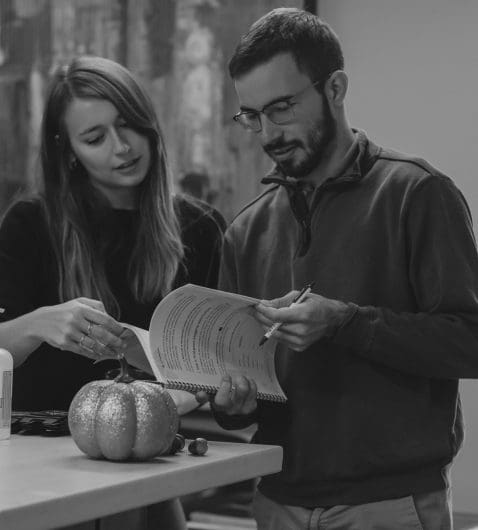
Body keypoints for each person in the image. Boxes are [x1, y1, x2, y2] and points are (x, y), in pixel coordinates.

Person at [202, 8, 478, 530]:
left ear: (335, 88)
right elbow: (240, 390)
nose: (268, 133)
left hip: (390, 505)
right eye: (252, 115)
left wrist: (345, 322)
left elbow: (471, 340)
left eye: (282, 108)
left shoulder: (417, 194)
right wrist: (230, 403)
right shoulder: (244, 232)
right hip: (275, 498)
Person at [0, 55, 225, 530]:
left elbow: (214, 369)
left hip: (145, 464)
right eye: (95, 138)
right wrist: (40, 323)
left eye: (128, 125)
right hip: (36, 467)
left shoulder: (202, 229)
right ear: (68, 151)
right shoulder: (32, 223)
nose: (122, 147)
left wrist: (188, 394)